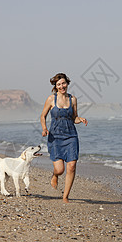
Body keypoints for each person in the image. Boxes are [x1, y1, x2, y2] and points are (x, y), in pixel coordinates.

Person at [40, 73, 88, 203]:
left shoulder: (73, 99)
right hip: (55, 137)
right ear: (56, 86)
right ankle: (55, 175)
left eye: (63, 83)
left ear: (67, 83)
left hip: (71, 135)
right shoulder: (51, 99)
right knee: (60, 169)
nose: (62, 86)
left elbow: (74, 118)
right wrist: (44, 128)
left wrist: (80, 119)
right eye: (59, 84)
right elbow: (42, 116)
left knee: (71, 166)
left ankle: (65, 196)